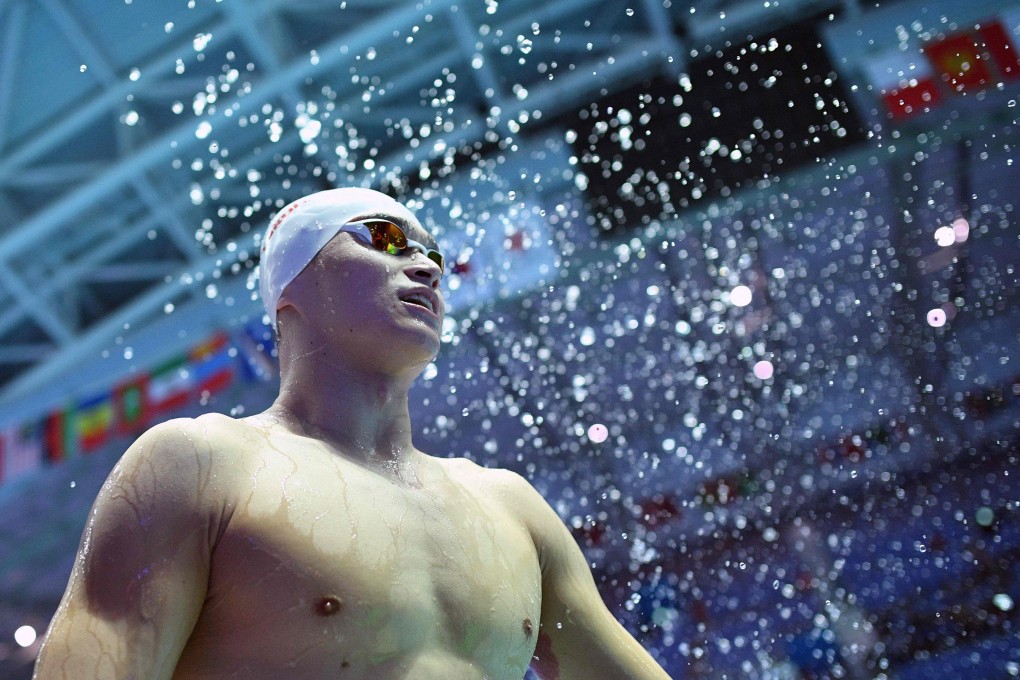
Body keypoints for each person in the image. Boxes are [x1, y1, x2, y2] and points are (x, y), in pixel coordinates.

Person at [33, 188, 672, 679]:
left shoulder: (510, 507)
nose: (425, 266)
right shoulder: (200, 466)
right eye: (385, 238)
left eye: (434, 256)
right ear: (292, 288)